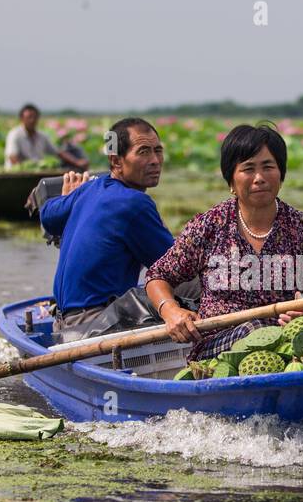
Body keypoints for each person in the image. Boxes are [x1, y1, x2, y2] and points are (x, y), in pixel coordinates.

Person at [145, 123, 303, 361]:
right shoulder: (210, 225)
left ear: (281, 173)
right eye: (248, 169)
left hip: (289, 347)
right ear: (231, 180)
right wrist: (171, 311)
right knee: (253, 330)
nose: (259, 178)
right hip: (218, 348)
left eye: (268, 167)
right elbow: (158, 276)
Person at [39, 117, 194, 341]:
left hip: (62, 324)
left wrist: (69, 197)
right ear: (116, 161)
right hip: (94, 326)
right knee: (201, 282)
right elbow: (179, 267)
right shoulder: (134, 203)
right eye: (143, 152)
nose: (155, 161)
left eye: (157, 150)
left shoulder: (90, 187)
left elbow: (47, 215)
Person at [5, 103, 87, 171]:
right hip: (19, 172)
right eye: (29, 117)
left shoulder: (42, 136)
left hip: (37, 172)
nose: (32, 120)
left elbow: (58, 152)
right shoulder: (14, 135)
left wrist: (77, 162)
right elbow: (12, 157)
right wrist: (25, 168)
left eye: (34, 117)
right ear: (22, 119)